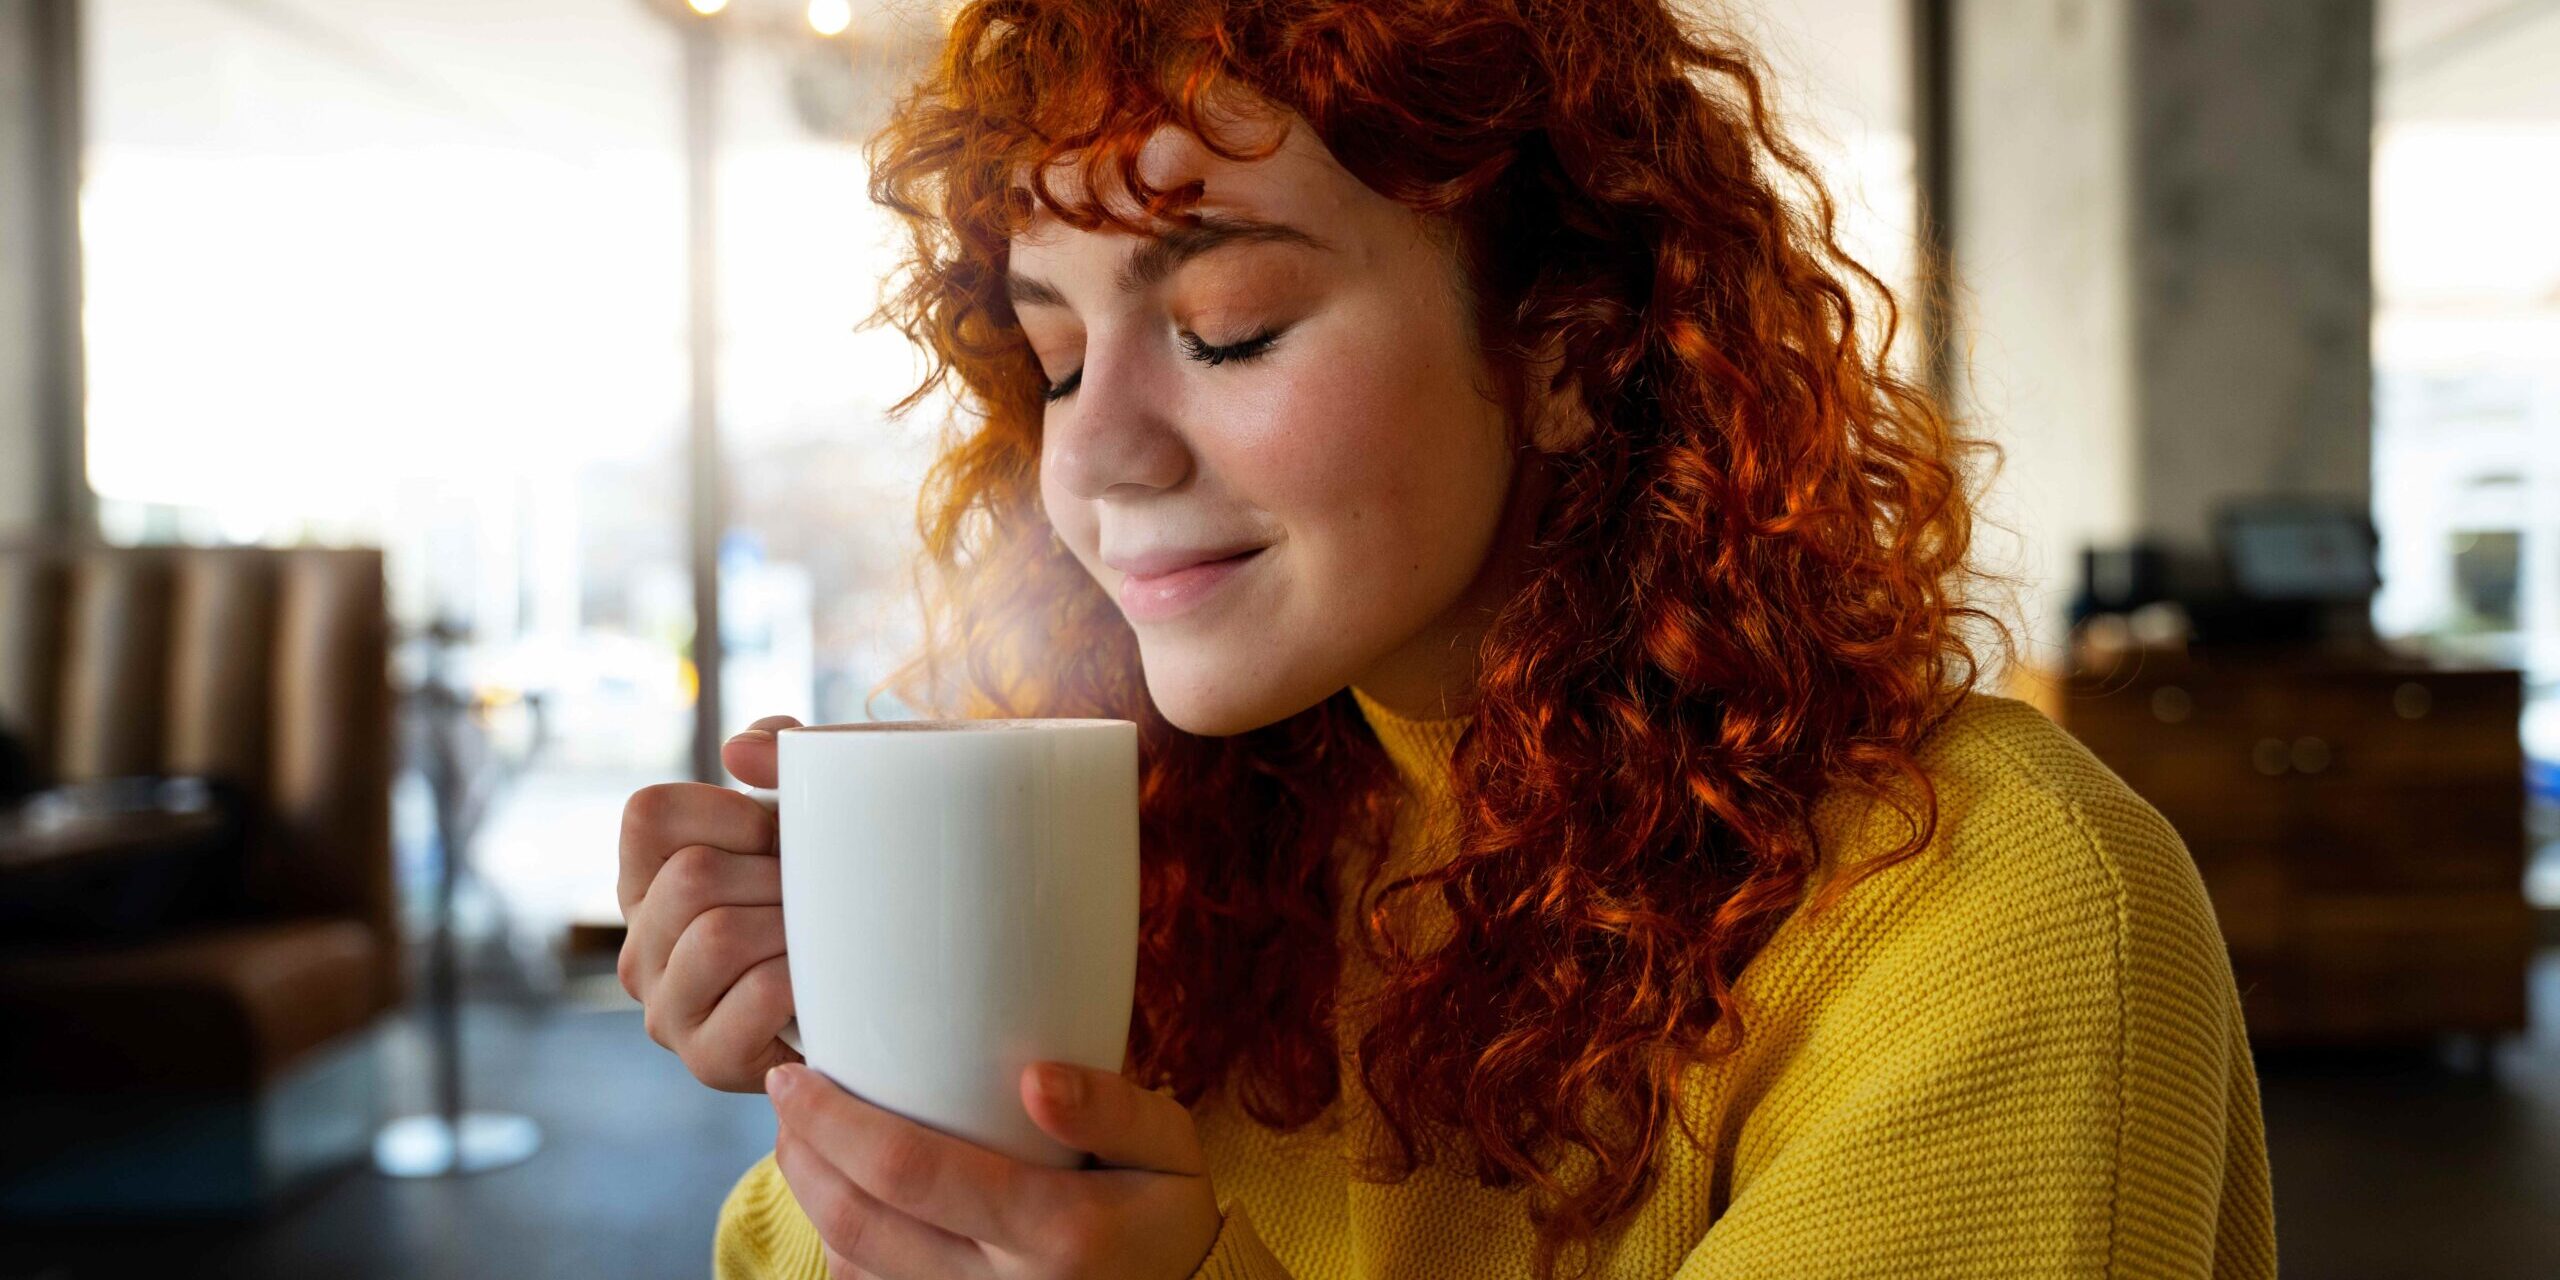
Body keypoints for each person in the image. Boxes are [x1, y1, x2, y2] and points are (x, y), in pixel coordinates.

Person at [615, 0, 2278, 1276]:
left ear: (1568, 345)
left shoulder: (1993, 912)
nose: (1096, 455)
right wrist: (869, 1066)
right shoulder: (1163, 848)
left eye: (1226, 330)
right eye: (1053, 361)